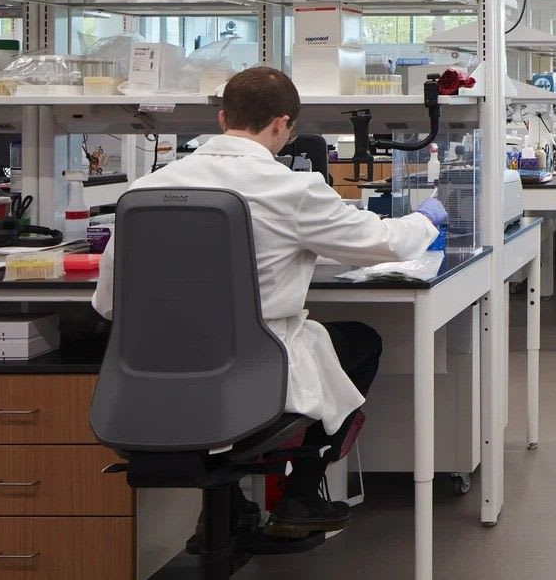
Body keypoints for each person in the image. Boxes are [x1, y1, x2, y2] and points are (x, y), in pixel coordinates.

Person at [92, 67, 448, 545]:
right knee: (362, 341)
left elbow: (110, 303)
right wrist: (427, 217)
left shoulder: (142, 191)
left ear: (223, 118)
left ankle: (233, 505)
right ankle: (299, 495)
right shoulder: (291, 188)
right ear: (282, 124)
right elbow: (384, 243)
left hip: (150, 375)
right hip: (256, 366)